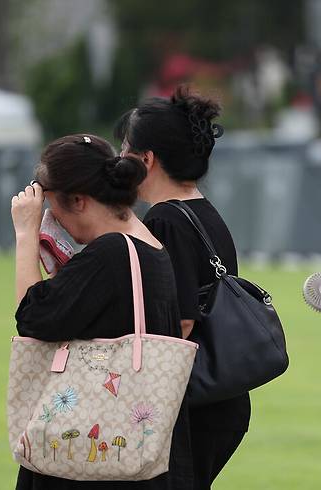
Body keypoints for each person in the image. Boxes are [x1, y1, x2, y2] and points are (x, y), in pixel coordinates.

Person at [11, 134, 193, 490]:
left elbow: (32, 318)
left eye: (52, 208)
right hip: (138, 451)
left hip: (97, 461)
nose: (52, 219)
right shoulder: (146, 243)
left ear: (78, 200)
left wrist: (25, 234)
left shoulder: (110, 254)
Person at [115, 86, 249, 490]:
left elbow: (182, 323)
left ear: (147, 160)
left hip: (192, 406)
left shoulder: (165, 222)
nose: (119, 161)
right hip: (222, 399)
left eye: (124, 151)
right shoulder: (203, 212)